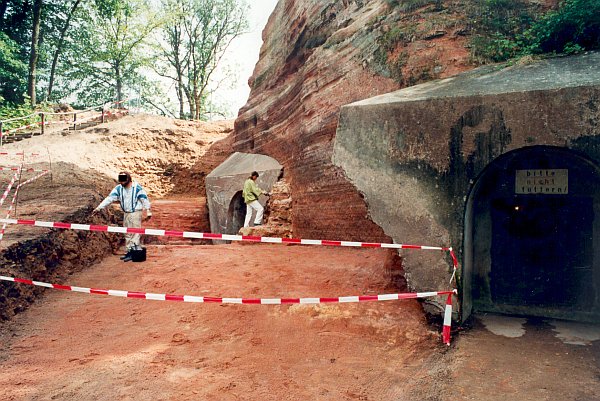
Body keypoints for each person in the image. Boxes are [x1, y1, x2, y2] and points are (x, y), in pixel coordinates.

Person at [93, 171, 152, 262]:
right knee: (127, 233)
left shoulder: (137, 188)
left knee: (135, 233)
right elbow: (110, 198)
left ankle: (134, 252)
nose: (122, 182)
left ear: (128, 179)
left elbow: (144, 199)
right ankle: (129, 252)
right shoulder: (119, 189)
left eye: (124, 180)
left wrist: (148, 210)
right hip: (126, 213)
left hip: (135, 212)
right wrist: (99, 208)